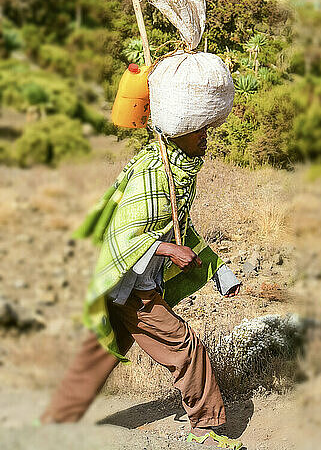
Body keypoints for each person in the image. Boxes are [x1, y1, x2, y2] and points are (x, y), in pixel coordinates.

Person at [40, 126, 242, 448]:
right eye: (197, 131)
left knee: (100, 354)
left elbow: (178, 228)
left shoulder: (176, 175)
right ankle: (206, 428)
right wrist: (169, 250)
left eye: (205, 129)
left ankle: (55, 423)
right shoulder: (151, 174)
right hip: (131, 288)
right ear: (177, 133)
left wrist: (220, 271)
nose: (205, 136)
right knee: (185, 347)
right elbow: (126, 234)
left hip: (120, 285)